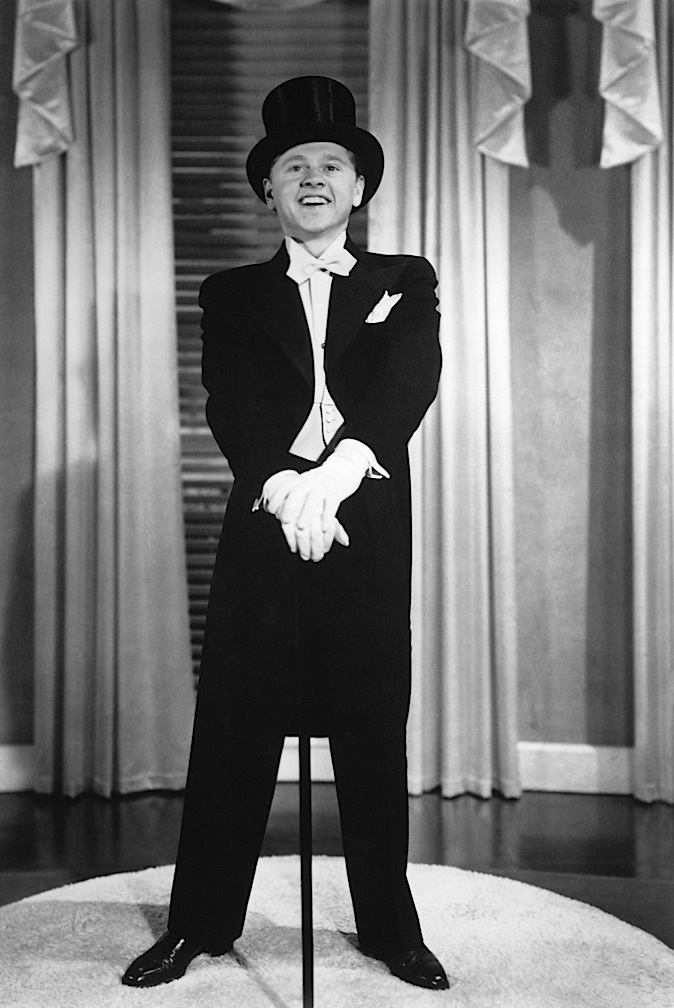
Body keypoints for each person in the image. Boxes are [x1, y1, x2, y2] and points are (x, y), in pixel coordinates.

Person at [122, 76, 448, 992]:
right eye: (294, 165)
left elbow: (408, 383)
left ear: (358, 187)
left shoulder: (404, 279)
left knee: (372, 723)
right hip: (266, 520)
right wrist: (285, 491)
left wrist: (335, 481)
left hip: (366, 516)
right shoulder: (229, 292)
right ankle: (199, 924)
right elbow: (232, 402)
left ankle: (390, 929)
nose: (313, 178)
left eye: (331, 164)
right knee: (235, 723)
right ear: (267, 188)